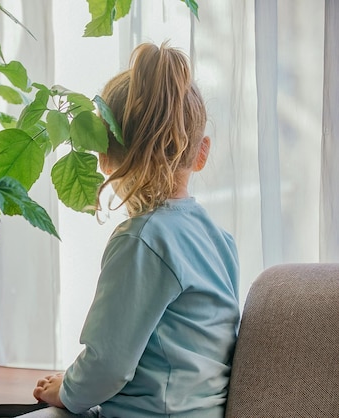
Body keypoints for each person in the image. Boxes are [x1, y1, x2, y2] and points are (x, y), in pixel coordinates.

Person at [20, 42, 240, 418]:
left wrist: (68, 389)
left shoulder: (142, 240)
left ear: (103, 155)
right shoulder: (220, 241)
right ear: (201, 153)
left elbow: (109, 362)